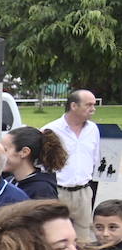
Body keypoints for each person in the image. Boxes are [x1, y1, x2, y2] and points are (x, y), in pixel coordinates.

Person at [44, 89, 101, 241]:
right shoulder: (51, 130)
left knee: (84, 240)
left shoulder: (93, 129)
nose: (93, 109)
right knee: (57, 237)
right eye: (88, 105)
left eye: (94, 105)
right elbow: (42, 164)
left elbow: (94, 158)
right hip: (58, 192)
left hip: (84, 193)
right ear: (74, 106)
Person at [4, 126, 68, 200]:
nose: (0, 154)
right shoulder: (9, 181)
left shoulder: (42, 191)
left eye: (5, 150)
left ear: (24, 152)